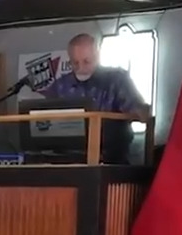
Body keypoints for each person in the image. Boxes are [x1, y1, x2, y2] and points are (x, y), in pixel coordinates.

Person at [40, 33, 150, 163]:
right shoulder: (60, 86)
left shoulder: (116, 80)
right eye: (75, 63)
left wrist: (140, 111)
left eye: (86, 62)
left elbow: (137, 108)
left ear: (97, 57)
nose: (81, 68)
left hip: (111, 162)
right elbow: (43, 121)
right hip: (68, 161)